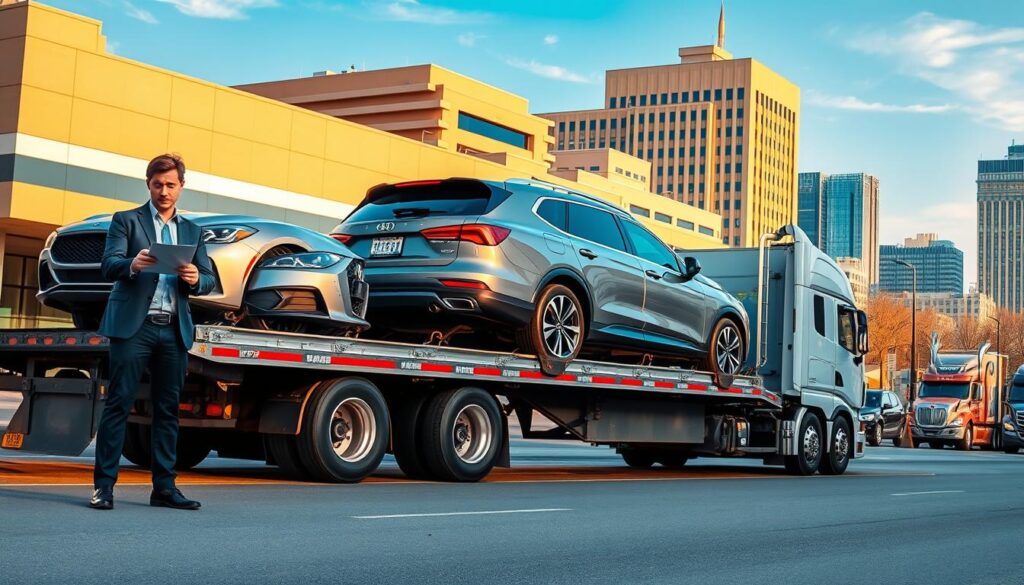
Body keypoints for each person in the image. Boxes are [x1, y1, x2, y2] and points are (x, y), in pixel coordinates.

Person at [90, 153, 215, 510]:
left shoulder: (193, 231)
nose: (164, 191)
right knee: (119, 405)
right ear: (148, 185)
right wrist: (132, 264)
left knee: (167, 410)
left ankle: (164, 489)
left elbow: (207, 278)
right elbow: (108, 265)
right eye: (157, 184)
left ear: (181, 186)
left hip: (173, 329)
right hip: (134, 327)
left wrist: (195, 278)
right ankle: (104, 488)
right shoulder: (126, 221)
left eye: (170, 185)